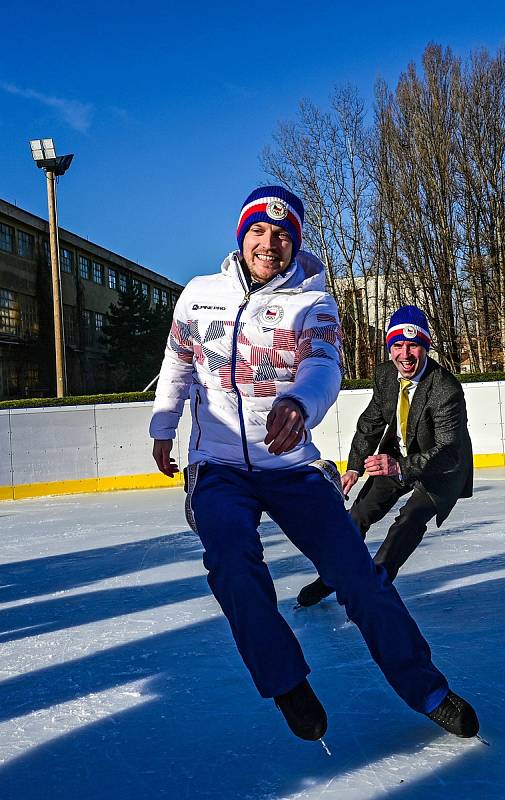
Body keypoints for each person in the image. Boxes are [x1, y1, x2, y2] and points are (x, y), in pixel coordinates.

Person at [149, 186, 478, 742]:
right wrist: (163, 426)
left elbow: (324, 367)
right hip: (218, 466)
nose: (268, 243)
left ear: (294, 243)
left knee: (357, 574)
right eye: (257, 231)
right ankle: (285, 681)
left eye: (281, 235)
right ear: (240, 236)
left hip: (293, 467)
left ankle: (426, 689)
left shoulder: (313, 302)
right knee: (231, 559)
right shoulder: (199, 297)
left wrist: (299, 403)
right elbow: (178, 362)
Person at [297, 305, 473, 608]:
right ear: (390, 348)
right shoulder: (385, 375)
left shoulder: (445, 389)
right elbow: (371, 423)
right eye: (398, 346)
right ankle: (332, 575)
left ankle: (373, 585)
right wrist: (354, 467)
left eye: (413, 345)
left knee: (408, 522)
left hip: (440, 469)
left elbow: (447, 451)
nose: (405, 354)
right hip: (397, 456)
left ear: (425, 347)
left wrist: (399, 466)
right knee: (358, 515)